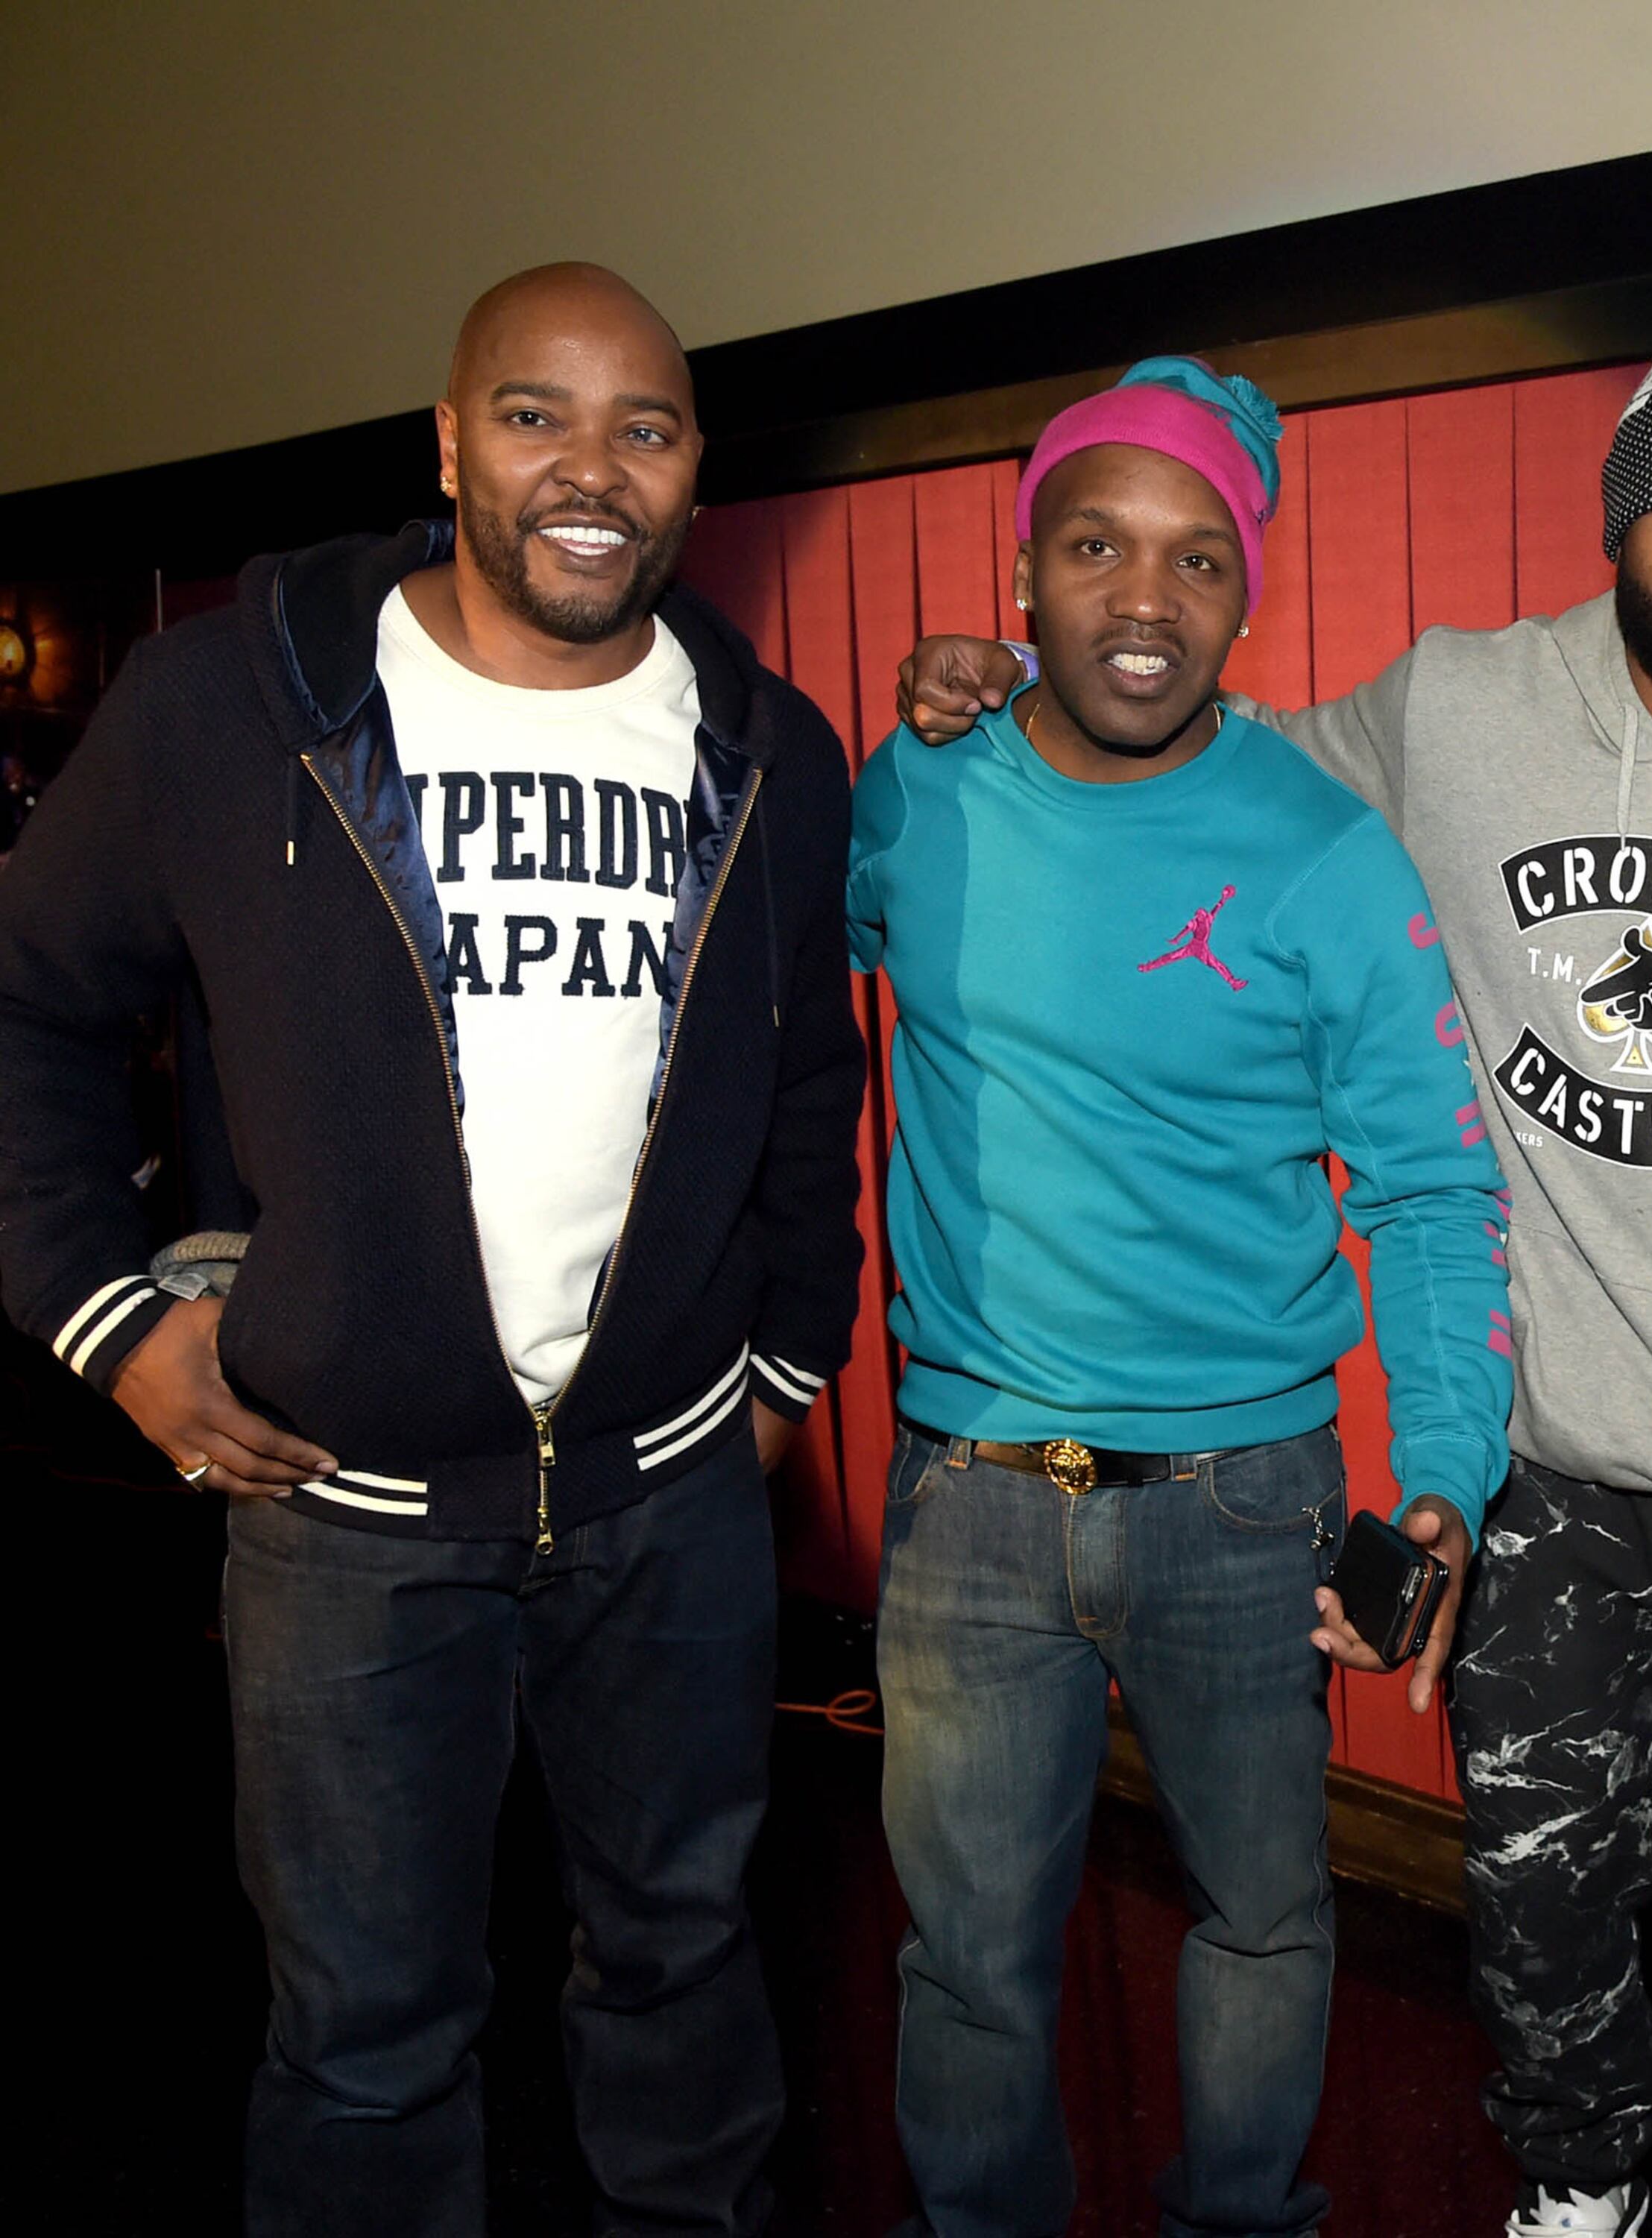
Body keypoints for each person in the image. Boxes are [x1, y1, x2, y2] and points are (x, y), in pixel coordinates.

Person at [896, 291, 1652, 2238]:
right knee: (1541, 1875)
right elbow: (1221, 748)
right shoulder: (1459, 711)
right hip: (1556, 1459)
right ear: (1623, 523)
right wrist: (1008, 671)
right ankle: (1585, 2180)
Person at [0, 265, 866, 2236]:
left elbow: (813, 1075)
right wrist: (106, 1319)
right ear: (452, 442)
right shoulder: (240, 701)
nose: (593, 467)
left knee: (684, 1969)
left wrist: (794, 1363)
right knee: (369, 2036)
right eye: (539, 414)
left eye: (644, 426)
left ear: (694, 470)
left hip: (671, 1518)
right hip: (343, 1518)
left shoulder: (769, 748)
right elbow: (29, 1003)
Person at [850, 357, 1513, 2238]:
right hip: (968, 1490)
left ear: (1244, 590)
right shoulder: (919, 797)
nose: (1144, 600)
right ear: (1023, 571)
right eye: (1095, 546)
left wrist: (1446, 1477)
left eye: (1196, 560)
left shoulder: (1321, 852)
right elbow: (762, 1003)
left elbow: (1438, 1196)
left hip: (1247, 1503)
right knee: (965, 1958)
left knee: (1268, 1915)